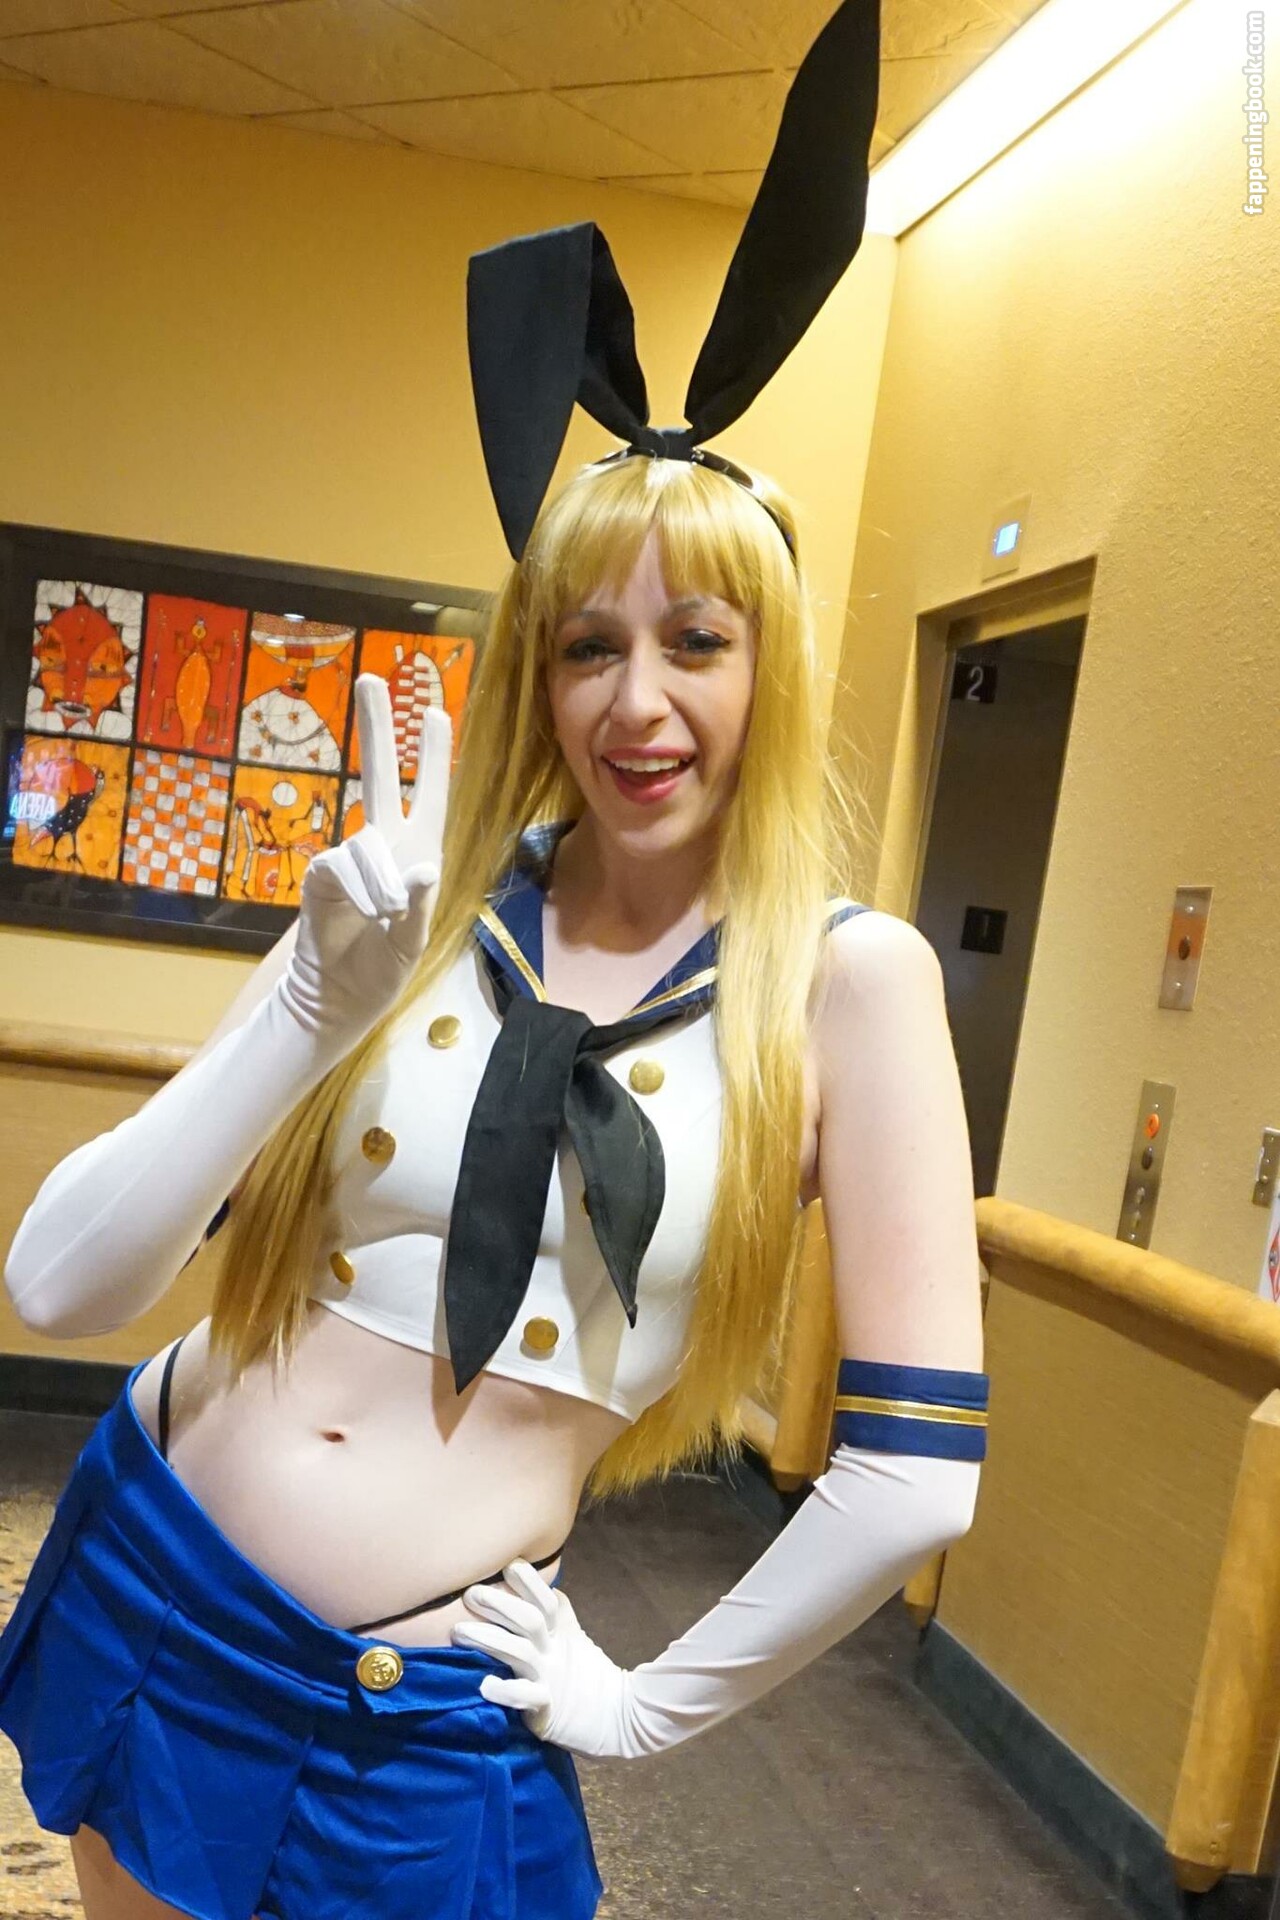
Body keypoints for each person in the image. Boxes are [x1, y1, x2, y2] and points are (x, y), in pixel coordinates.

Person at [0, 5, 988, 1915]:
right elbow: (55, 1282)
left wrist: (642, 1707)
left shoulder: (848, 988)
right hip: (154, 1550)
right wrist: (312, 1004)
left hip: (416, 1713)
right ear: (536, 672)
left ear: (771, 670)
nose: (638, 703)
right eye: (587, 645)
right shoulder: (417, 899)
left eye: (696, 642)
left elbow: (915, 1473)